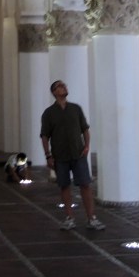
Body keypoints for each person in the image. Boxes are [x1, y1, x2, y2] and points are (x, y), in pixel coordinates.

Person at [40, 80, 105, 230]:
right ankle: (69, 218)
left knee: (85, 185)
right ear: (54, 92)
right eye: (60, 86)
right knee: (64, 186)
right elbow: (45, 135)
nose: (64, 87)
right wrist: (48, 155)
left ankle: (92, 218)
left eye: (64, 85)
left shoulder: (75, 109)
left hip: (78, 153)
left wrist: (87, 146)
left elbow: (85, 129)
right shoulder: (49, 113)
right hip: (60, 156)